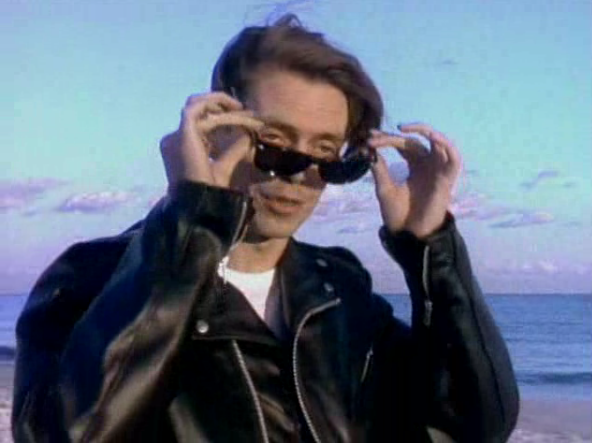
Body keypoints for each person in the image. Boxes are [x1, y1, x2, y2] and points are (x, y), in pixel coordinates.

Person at [12, 14, 519, 443]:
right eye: (273, 144)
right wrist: (193, 221)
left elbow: (475, 424)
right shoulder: (91, 278)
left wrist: (430, 250)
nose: (299, 175)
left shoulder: (339, 291)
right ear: (213, 129)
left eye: (326, 155)